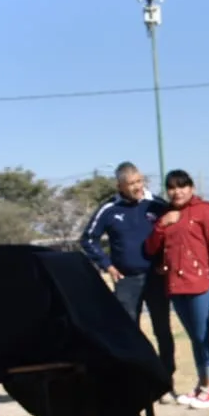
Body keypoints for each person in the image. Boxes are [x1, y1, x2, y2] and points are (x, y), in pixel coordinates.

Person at [80, 162, 176, 402]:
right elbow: (88, 239)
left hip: (156, 278)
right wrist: (108, 266)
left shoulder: (157, 205)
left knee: (162, 330)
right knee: (128, 332)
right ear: (119, 185)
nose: (136, 187)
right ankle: (137, 383)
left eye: (139, 181)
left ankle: (166, 382)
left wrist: (167, 261)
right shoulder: (109, 209)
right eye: (131, 183)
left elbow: (174, 232)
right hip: (126, 280)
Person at [144, 170, 209, 409]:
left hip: (200, 283)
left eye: (182, 186)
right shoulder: (167, 214)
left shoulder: (204, 211)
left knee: (205, 337)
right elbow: (151, 248)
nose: (177, 192)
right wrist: (162, 225)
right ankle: (202, 385)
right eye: (171, 188)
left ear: (191, 187)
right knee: (194, 338)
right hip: (176, 284)